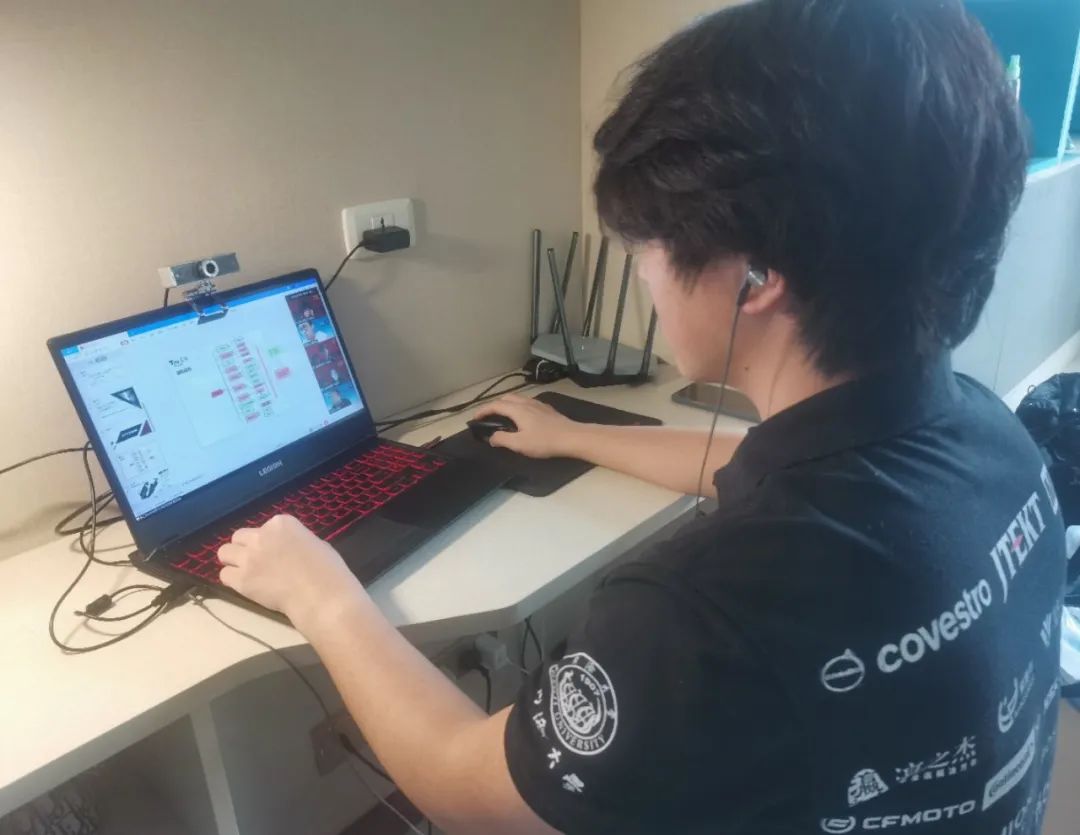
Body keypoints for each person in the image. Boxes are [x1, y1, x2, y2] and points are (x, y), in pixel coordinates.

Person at [216, 1, 1067, 832]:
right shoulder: (989, 435)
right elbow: (755, 467)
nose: (645, 276)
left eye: (646, 246)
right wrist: (575, 434)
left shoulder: (701, 609)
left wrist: (323, 594)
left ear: (755, 277)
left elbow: (461, 787)